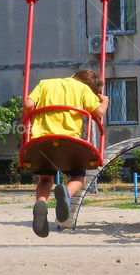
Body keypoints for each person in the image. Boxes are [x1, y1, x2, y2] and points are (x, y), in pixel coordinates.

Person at [24, 68, 109, 237]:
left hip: (42, 141)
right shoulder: (83, 89)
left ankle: (41, 202)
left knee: (45, 179)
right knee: (78, 177)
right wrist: (105, 100)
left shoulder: (45, 83)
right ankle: (66, 194)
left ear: (73, 76)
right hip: (70, 142)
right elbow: (98, 113)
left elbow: (28, 105)